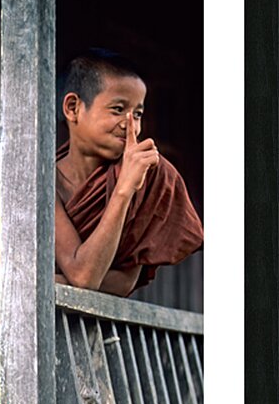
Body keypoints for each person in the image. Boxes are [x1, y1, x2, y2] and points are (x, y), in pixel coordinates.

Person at [54, 49, 203, 293]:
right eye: (117, 109)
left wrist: (124, 189)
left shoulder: (149, 174)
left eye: (138, 113)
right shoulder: (42, 182)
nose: (130, 125)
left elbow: (119, 282)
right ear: (73, 108)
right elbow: (85, 275)